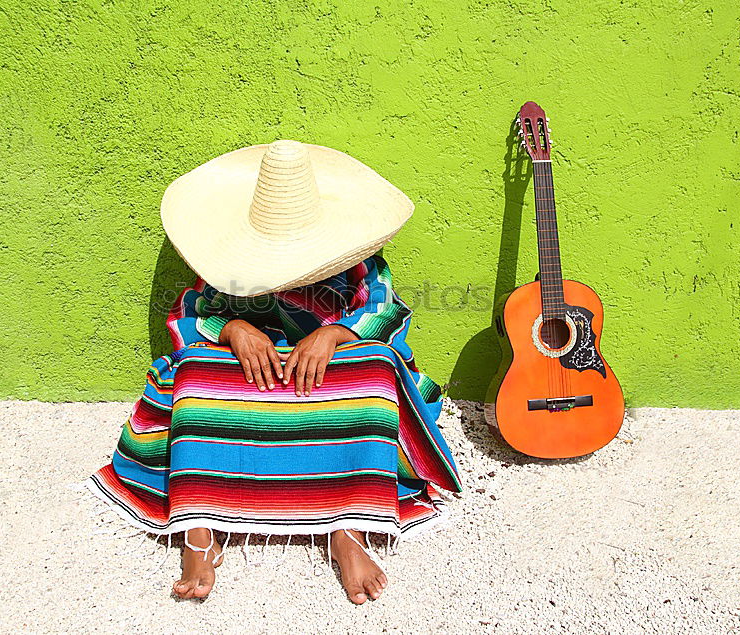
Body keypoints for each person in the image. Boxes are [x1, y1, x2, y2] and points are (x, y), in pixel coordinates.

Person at [88, 140, 461, 604]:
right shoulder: (225, 262)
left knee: (379, 373)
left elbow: (386, 317)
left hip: (331, 371)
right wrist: (234, 329)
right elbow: (191, 314)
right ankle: (200, 526)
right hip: (250, 370)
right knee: (194, 374)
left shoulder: (362, 266)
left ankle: (347, 527)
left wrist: (335, 335)